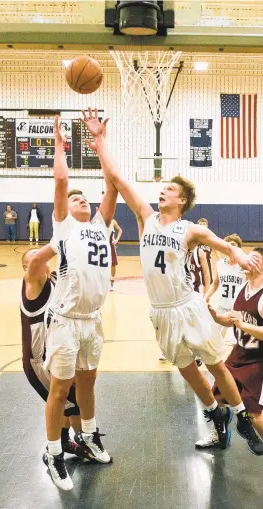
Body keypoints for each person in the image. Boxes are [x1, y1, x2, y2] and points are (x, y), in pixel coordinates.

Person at [82, 107, 262, 456]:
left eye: (168, 190)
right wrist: (101, 140)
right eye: (162, 189)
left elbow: (221, 244)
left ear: (182, 201)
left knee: (215, 365)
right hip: (161, 311)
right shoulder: (146, 217)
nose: (161, 192)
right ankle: (215, 412)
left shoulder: (189, 228)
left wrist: (238, 256)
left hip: (188, 306)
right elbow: (116, 178)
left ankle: (240, 417)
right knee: (184, 368)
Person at [43, 115, 116, 490]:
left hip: (93, 320)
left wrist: (102, 142)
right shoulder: (63, 226)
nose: (80, 199)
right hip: (66, 319)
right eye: (75, 198)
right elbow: (60, 181)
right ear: (65, 210)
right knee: (61, 389)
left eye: (84, 197)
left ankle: (87, 437)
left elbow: (112, 185)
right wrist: (60, 144)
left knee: (88, 384)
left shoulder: (101, 226)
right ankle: (53, 452)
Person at [21, 246, 91, 461]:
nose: (40, 260)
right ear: (27, 268)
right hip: (38, 362)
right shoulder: (32, 284)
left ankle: (71, 440)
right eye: (34, 259)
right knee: (69, 401)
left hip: (57, 353)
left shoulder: (54, 281)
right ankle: (72, 443)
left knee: (73, 398)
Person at [196, 247, 263, 455]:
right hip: (238, 353)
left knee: (252, 412)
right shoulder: (244, 287)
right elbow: (233, 318)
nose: (246, 261)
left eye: (253, 258)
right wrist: (216, 316)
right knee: (217, 396)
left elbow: (244, 325)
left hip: (257, 359)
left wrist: (245, 327)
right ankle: (219, 434)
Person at [205, 234, 246, 340]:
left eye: (233, 245)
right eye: (228, 245)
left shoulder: (244, 265)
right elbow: (215, 284)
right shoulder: (220, 264)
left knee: (238, 342)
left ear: (239, 248)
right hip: (222, 307)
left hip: (239, 310)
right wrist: (206, 297)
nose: (230, 247)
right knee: (213, 338)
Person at [197, 218, 213, 284]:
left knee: (208, 279)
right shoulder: (196, 236)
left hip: (207, 260)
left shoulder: (210, 236)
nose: (202, 225)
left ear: (207, 226)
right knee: (197, 277)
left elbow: (215, 248)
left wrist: (219, 258)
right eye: (200, 224)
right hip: (197, 261)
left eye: (204, 224)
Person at [109, 218, 122, 291]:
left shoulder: (113, 221)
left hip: (111, 245)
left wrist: (116, 240)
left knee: (113, 264)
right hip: (102, 245)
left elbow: (120, 230)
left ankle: (112, 281)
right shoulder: (99, 221)